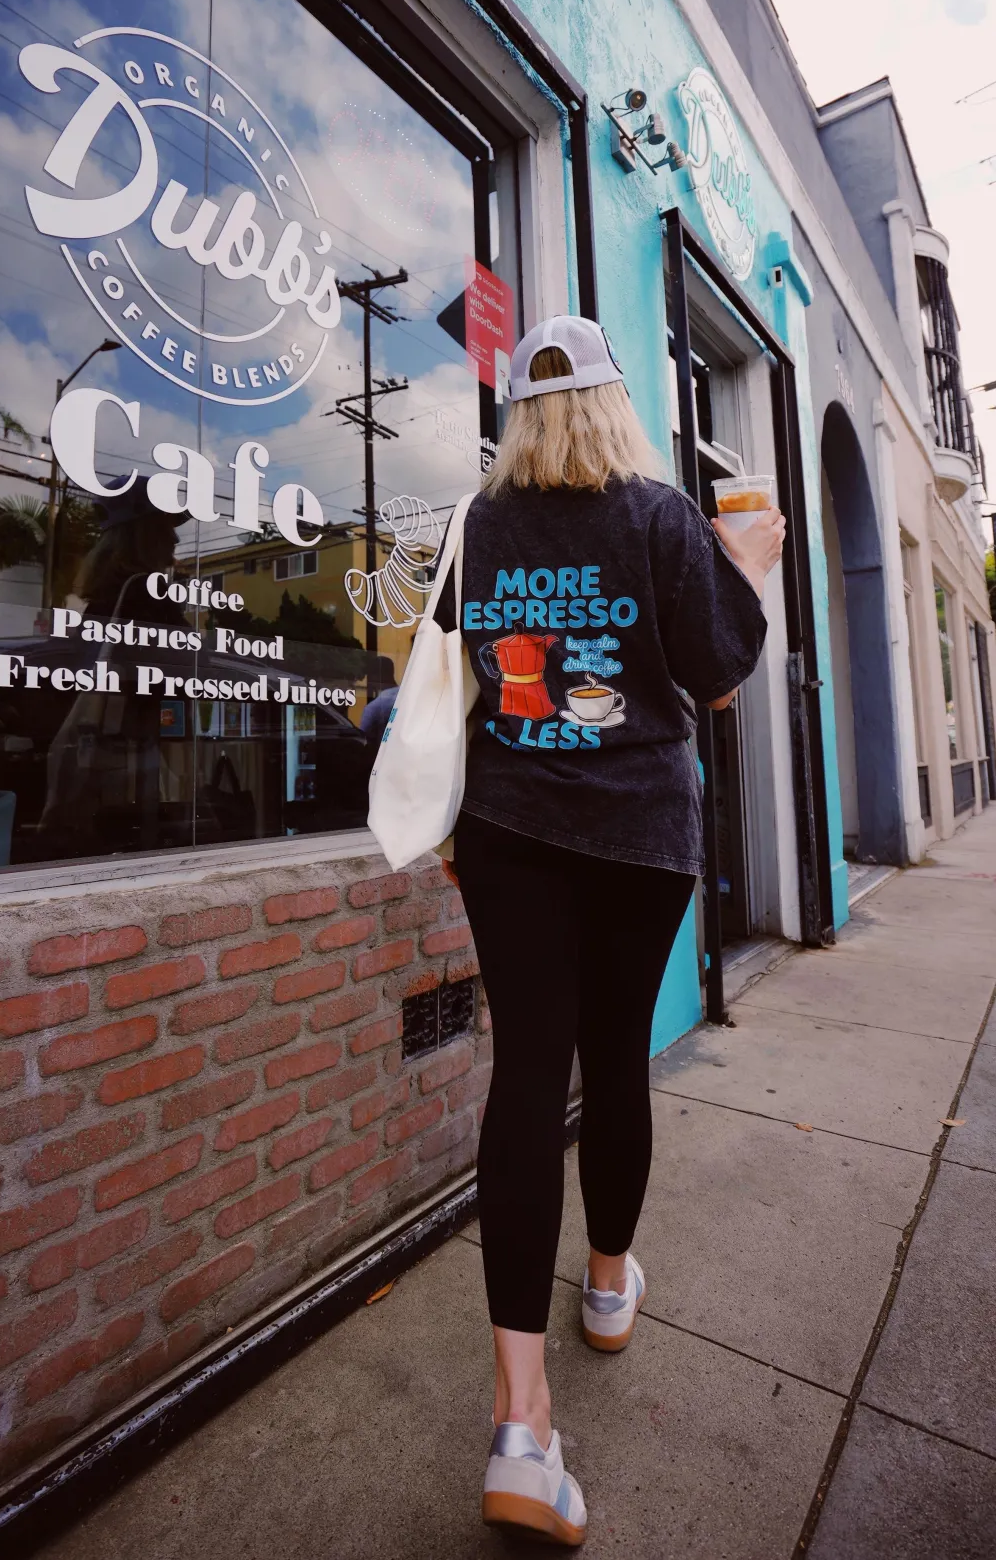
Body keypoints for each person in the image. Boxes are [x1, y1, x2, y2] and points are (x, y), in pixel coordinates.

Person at [435, 315, 785, 1546]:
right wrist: (749, 558)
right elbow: (722, 676)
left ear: (522, 415)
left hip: (509, 826)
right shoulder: (659, 514)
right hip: (638, 830)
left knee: (528, 1070)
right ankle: (606, 1286)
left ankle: (522, 1423)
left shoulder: (481, 525)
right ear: (615, 403)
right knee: (614, 1056)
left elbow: (448, 668)